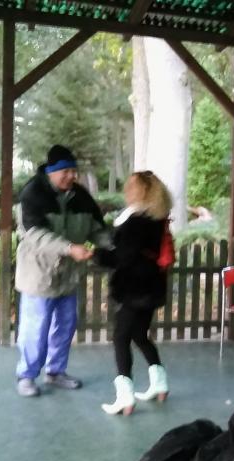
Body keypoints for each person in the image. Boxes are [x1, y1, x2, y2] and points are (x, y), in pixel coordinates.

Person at [14, 144, 110, 397]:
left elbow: (96, 230)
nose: (72, 176)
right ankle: (26, 376)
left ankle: (55, 372)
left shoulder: (81, 196)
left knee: (66, 326)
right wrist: (69, 248)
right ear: (51, 172)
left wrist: (112, 245)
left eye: (74, 171)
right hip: (38, 275)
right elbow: (34, 234)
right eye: (65, 171)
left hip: (69, 275)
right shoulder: (32, 193)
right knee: (35, 329)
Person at [96, 171, 173, 415]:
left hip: (135, 288)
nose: (126, 190)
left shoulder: (136, 221)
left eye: (132, 186)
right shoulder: (157, 218)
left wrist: (97, 255)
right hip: (152, 285)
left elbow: (122, 256)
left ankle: (125, 397)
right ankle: (160, 384)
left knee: (120, 337)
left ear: (143, 191)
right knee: (139, 334)